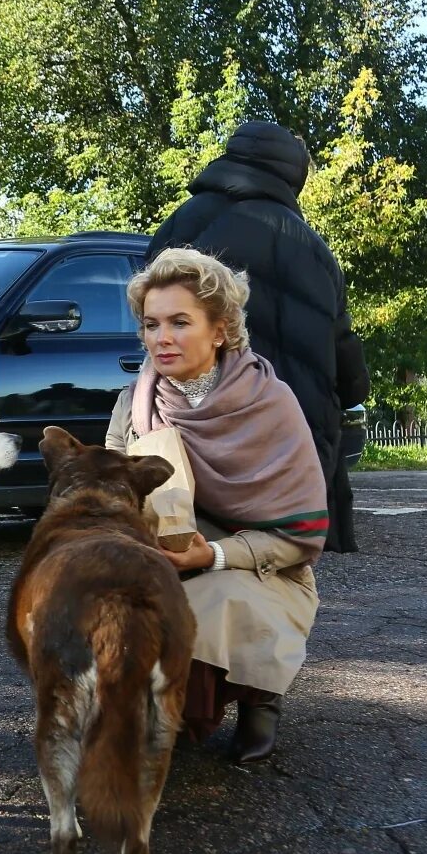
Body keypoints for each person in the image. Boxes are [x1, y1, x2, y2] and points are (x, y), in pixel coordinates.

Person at [106, 247, 328, 764]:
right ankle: (162, 710)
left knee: (212, 599)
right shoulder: (133, 403)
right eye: (151, 324)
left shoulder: (272, 405)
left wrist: (212, 555)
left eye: (180, 322)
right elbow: (111, 492)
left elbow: (300, 534)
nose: (161, 338)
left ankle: (261, 698)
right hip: (157, 555)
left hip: (261, 566)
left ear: (221, 330)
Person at [145, 121, 369, 553]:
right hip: (283, 431)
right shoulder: (313, 248)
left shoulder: (178, 226)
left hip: (193, 416)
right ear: (292, 175)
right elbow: (343, 351)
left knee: (181, 558)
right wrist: (354, 387)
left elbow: (151, 315)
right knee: (274, 562)